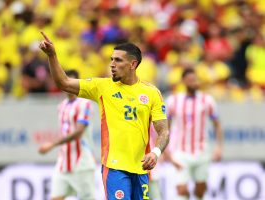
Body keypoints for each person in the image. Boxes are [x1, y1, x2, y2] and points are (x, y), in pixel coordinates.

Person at [39, 32, 170, 200]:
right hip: (114, 167)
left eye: (118, 60)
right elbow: (63, 82)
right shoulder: (102, 87)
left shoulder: (151, 93)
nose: (112, 64)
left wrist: (155, 153)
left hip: (141, 168)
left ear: (133, 64)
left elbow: (164, 131)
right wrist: (52, 55)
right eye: (111, 60)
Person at [165, 68, 223, 200]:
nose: (193, 83)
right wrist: (165, 150)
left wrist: (219, 147)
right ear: (183, 81)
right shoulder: (173, 100)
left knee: (200, 189)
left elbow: (217, 124)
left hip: (202, 150)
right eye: (190, 80)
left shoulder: (207, 100)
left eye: (195, 80)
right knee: (181, 189)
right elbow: (165, 127)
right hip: (180, 150)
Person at [38, 69, 96, 200]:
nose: (68, 86)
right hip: (63, 162)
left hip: (82, 163)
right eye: (66, 82)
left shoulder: (84, 103)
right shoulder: (61, 106)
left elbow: (78, 132)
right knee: (55, 197)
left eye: (71, 82)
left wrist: (52, 144)